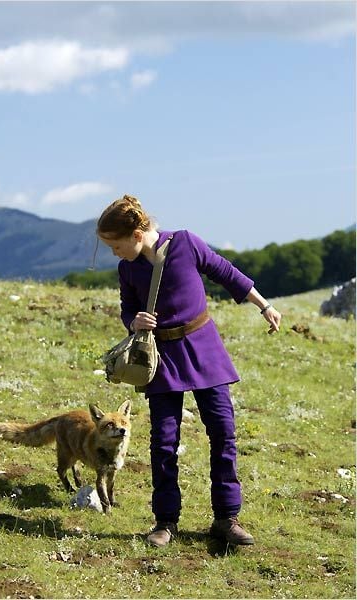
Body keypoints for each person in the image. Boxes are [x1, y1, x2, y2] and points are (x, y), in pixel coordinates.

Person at [97, 194, 281, 548]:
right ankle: (165, 522)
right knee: (164, 442)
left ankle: (227, 518)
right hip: (161, 359)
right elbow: (127, 310)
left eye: (115, 245)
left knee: (223, 433)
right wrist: (132, 321)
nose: (114, 253)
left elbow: (226, 272)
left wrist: (265, 306)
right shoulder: (128, 269)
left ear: (136, 235)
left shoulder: (185, 243)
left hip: (203, 349)